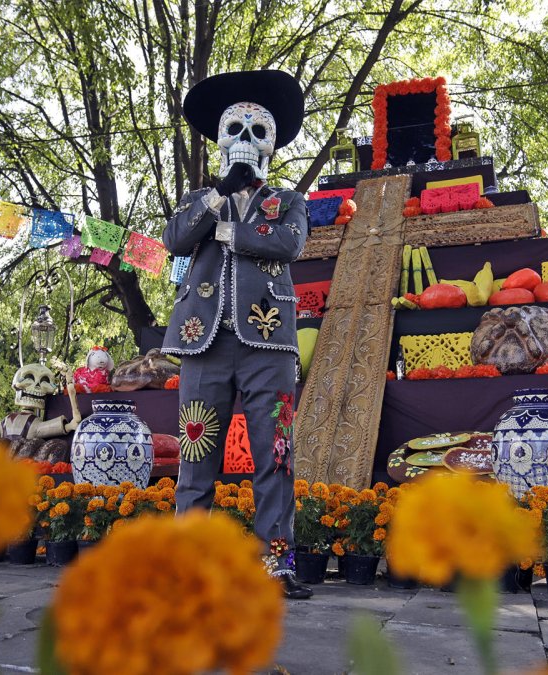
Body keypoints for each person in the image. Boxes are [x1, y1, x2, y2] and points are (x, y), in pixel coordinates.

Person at [160, 69, 312, 599]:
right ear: (219, 140)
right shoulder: (198, 199)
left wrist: (226, 229)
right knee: (196, 458)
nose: (245, 142)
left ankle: (277, 565)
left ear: (271, 145)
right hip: (203, 344)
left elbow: (287, 243)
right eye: (235, 129)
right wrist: (217, 200)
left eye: (256, 131)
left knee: (277, 456)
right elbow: (176, 239)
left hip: (268, 347)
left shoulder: (287, 201)